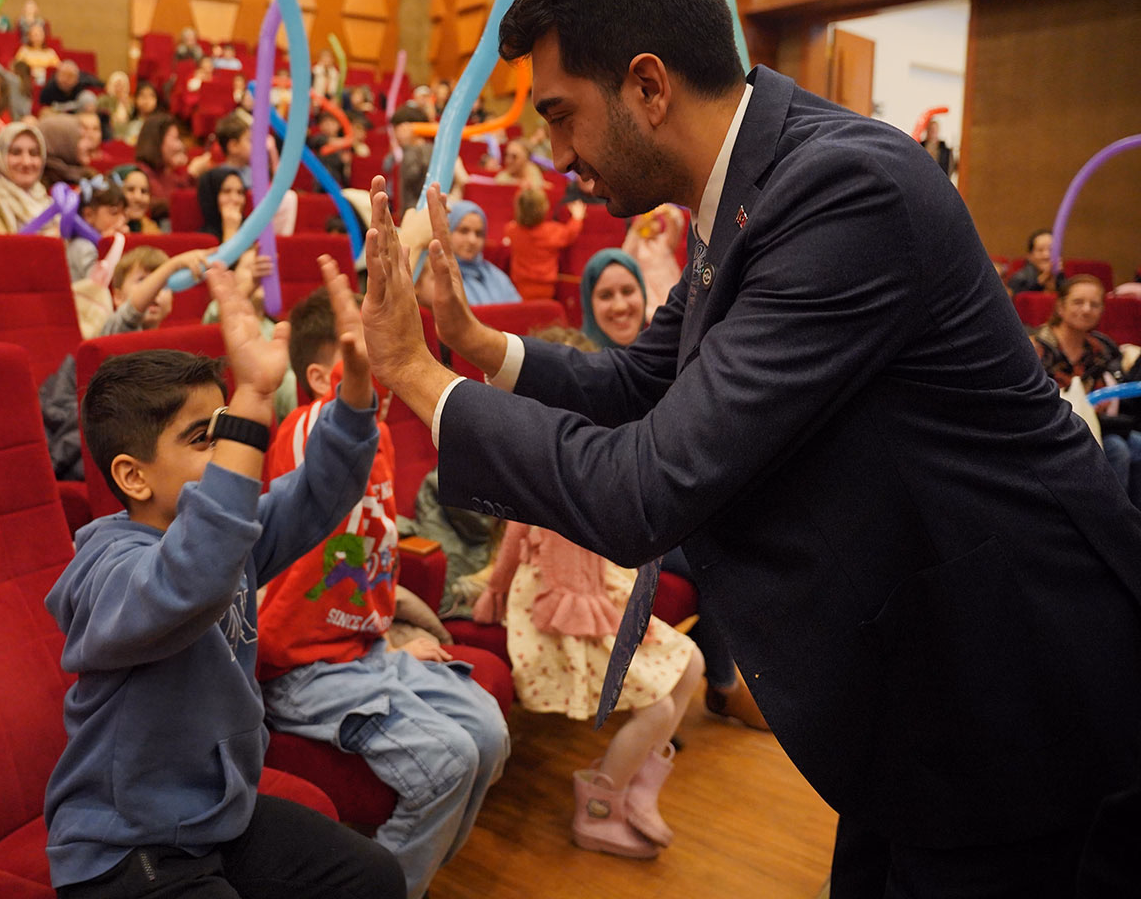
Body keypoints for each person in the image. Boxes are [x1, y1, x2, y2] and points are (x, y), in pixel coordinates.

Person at [358, 0, 1141, 895]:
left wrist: (417, 378)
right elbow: (638, 380)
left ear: (646, 85)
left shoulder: (841, 190)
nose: (552, 153)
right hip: (924, 692)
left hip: (1012, 686)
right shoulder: (747, 191)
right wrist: (475, 349)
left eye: (560, 114)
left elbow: (644, 485)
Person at [43, 259, 404, 899]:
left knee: (373, 877)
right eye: (204, 439)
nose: (231, 453)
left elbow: (320, 494)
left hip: (214, 814)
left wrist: (352, 396)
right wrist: (254, 403)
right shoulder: (103, 571)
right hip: (124, 845)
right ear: (133, 477)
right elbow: (193, 577)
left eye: (224, 434)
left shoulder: (223, 534)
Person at [259, 283, 509, 899]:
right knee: (448, 760)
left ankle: (402, 885)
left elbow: (369, 558)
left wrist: (396, 630)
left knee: (490, 735)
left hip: (366, 651)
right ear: (322, 379)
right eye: (367, 358)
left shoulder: (383, 438)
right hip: (302, 669)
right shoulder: (309, 428)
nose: (386, 370)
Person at [471, 324, 701, 859]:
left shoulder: (594, 454)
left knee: (690, 662)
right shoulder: (534, 467)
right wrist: (494, 593)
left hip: (599, 589)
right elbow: (510, 545)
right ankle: (600, 806)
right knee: (656, 710)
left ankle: (640, 783)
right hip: (555, 610)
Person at [578, 249, 767, 729]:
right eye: (605, 295)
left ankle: (722, 683)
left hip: (663, 508)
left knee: (736, 529)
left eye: (628, 291)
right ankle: (722, 688)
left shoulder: (662, 356)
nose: (620, 305)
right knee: (717, 553)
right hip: (608, 523)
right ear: (588, 303)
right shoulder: (583, 369)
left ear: (645, 296)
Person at [39, 243, 209, 481]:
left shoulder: (167, 349)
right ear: (117, 297)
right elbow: (132, 312)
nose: (158, 290)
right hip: (88, 442)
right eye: (142, 280)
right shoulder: (114, 332)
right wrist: (173, 266)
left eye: (165, 285)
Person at [1031, 274, 1141, 507]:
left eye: (1094, 304)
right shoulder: (1037, 346)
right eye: (1078, 302)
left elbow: (1105, 388)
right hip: (1050, 430)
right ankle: (1111, 527)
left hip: (1093, 425)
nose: (1087, 310)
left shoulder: (1099, 347)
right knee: (1117, 449)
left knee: (1138, 445)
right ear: (1060, 306)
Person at [504, 185, 584, 301]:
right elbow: (569, 234)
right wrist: (577, 217)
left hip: (520, 287)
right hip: (546, 288)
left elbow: (513, 223)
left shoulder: (512, 230)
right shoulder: (551, 231)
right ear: (544, 208)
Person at [440, 201, 519, 306]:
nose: (472, 240)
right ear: (448, 233)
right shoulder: (439, 276)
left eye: (479, 234)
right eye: (464, 231)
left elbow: (518, 313)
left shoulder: (495, 275)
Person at [134, 112, 192, 201]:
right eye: (176, 138)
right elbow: (168, 203)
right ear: (157, 141)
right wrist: (191, 174)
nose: (180, 145)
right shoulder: (142, 172)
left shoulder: (167, 171)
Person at [197, 165, 246, 240]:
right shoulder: (202, 239)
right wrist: (230, 230)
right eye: (226, 191)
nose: (235, 199)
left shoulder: (253, 227)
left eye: (240, 192)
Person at [1006, 227, 1056, 295]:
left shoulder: (1060, 277)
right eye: (1040, 250)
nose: (1047, 255)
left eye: (1051, 250)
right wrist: (1041, 281)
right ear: (1030, 256)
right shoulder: (1019, 279)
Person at [114, 166, 163, 234]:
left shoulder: (152, 231)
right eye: (130, 189)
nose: (138, 198)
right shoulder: (101, 230)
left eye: (144, 191)